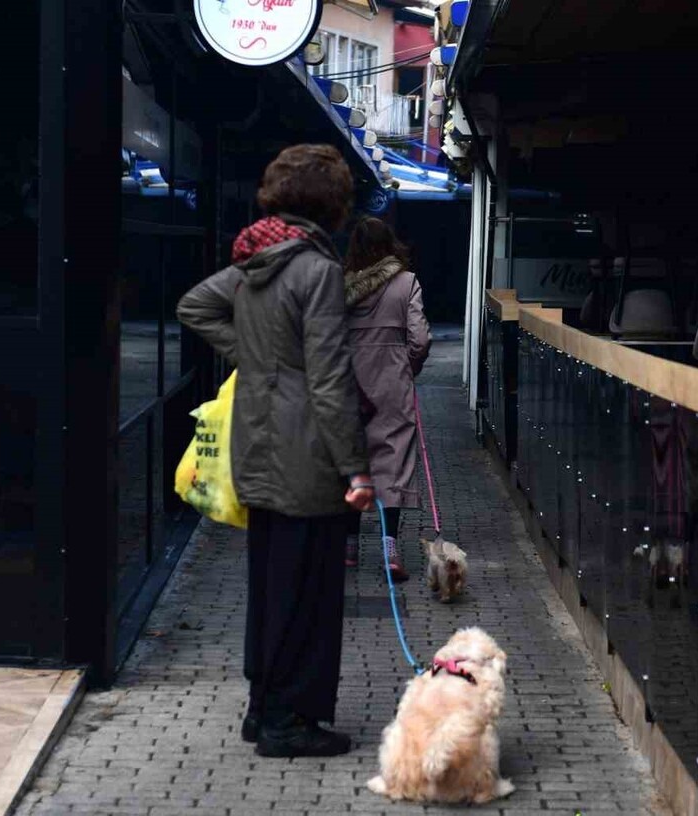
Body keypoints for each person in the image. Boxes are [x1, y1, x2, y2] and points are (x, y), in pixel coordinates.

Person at [176, 144, 374, 759]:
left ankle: (263, 709)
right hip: (307, 455)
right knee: (309, 592)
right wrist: (357, 469)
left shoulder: (256, 259)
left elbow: (194, 305)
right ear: (332, 203)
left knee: (269, 585)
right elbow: (330, 380)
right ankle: (290, 723)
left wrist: (256, 359)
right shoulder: (315, 270)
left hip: (257, 449)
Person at [341, 216, 431, 580]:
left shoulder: (338, 285)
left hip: (347, 386)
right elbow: (420, 339)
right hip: (393, 382)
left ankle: (348, 547)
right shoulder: (406, 282)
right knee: (393, 464)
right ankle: (390, 550)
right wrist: (406, 367)